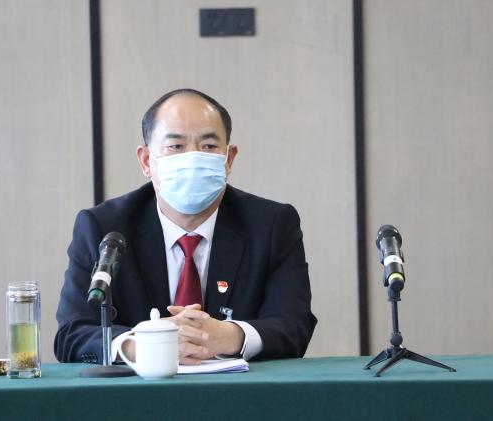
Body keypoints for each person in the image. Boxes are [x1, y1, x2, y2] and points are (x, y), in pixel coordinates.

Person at [54, 88, 317, 364]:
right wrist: (141, 345)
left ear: (229, 159)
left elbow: (294, 325)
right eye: (176, 146)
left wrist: (229, 336)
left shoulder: (272, 225)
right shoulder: (103, 228)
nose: (192, 158)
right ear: (146, 161)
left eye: (208, 146)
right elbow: (72, 334)